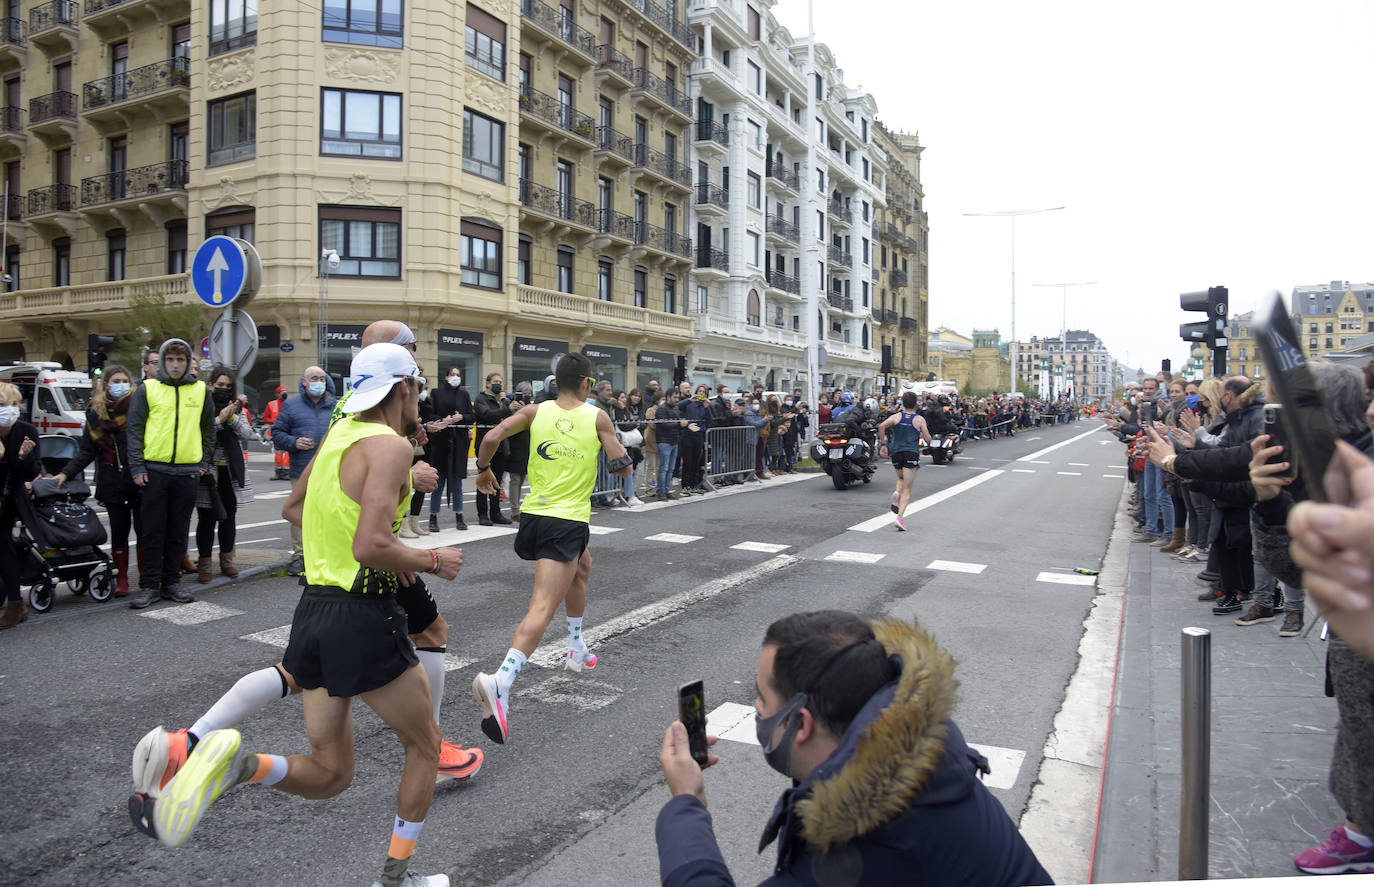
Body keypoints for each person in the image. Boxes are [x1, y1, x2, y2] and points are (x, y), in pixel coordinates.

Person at [132, 344, 464, 887]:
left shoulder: (338, 437)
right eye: (419, 385)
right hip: (364, 614)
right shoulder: (389, 447)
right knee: (426, 747)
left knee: (332, 774)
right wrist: (431, 559)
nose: (420, 396)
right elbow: (371, 545)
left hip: (314, 610)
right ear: (402, 387)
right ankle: (396, 879)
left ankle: (237, 766)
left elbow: (297, 510)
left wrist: (352, 546)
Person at [655, 610, 1052, 886]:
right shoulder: (919, 751)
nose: (756, 709)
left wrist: (687, 803)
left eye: (761, 698)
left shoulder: (864, 844)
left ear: (802, 724)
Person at [470, 352, 632, 743]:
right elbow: (622, 466)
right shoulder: (597, 417)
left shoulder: (533, 410)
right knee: (542, 606)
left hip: (534, 517)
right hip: (567, 521)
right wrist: (624, 455)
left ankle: (576, 646)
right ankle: (501, 680)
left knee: (583, 567)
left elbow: (490, 437)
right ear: (587, 384)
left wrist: (483, 469)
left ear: (555, 382)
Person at [126, 339, 213, 609]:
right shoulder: (148, 390)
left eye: (181, 360)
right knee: (152, 531)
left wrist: (203, 462)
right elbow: (134, 430)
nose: (176, 365)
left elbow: (209, 429)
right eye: (170, 360)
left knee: (178, 531)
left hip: (187, 472)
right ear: (162, 362)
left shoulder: (200, 390)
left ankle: (171, 583)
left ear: (188, 363)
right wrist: (137, 466)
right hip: (155, 470)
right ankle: (149, 585)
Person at [54, 366, 141, 598]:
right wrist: (65, 474)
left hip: (139, 478)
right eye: (115, 380)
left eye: (124, 380)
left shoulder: (138, 407)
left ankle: (146, 575)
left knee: (145, 531)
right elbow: (86, 451)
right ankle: (122, 577)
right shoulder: (95, 413)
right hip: (112, 482)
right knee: (120, 532)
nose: (120, 384)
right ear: (106, 384)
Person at [272, 365, 338, 575]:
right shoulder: (291, 406)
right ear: (304, 382)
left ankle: (326, 554)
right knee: (301, 513)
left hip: (330, 470)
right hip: (301, 469)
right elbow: (277, 433)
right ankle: (300, 556)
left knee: (329, 513)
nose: (319, 382)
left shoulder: (336, 407)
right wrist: (294, 442)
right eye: (313, 378)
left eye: (321, 378)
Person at [192, 367, 254, 583]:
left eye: (228, 386)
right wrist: (219, 419)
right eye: (220, 385)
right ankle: (205, 563)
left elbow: (246, 433)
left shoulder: (238, 408)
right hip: (208, 470)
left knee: (229, 517)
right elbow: (200, 431)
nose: (224, 390)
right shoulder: (202, 405)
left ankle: (227, 561)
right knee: (206, 519)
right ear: (210, 385)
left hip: (230, 469)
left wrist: (231, 417)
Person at [0, 383, 40, 628]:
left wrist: (21, 457)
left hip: (10, 499)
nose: (10, 410)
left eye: (14, 404)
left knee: (3, 546)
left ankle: (16, 604)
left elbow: (30, 473)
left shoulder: (26, 431)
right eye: (4, 405)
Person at [426, 366, 474, 532]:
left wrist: (461, 417)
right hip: (440, 443)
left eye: (458, 375)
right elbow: (430, 415)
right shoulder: (436, 393)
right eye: (452, 375)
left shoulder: (464, 395)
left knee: (457, 483)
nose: (455, 377)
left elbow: (472, 416)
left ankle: (459, 517)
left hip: (459, 443)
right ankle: (433, 517)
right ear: (446, 377)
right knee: (438, 483)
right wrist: (442, 420)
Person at [878, 391, 932, 532]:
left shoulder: (896, 416)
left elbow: (881, 426)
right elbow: (927, 437)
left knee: (901, 477)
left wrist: (883, 444)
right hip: (911, 453)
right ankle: (899, 518)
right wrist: (928, 442)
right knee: (908, 489)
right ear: (915, 404)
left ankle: (897, 492)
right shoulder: (919, 419)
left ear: (902, 402)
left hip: (896, 453)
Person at [473, 372, 514, 526]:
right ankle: (483, 514)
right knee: (483, 477)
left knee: (497, 479)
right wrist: (506, 409)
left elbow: (512, 418)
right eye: (495, 381)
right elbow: (486, 415)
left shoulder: (503, 400)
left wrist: (510, 406)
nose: (498, 384)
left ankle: (495, 512)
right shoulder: (481, 399)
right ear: (488, 384)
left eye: (500, 382)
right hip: (485, 444)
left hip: (502, 444)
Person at [505, 382, 534, 519]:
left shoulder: (532, 407)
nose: (527, 396)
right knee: (515, 479)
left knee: (522, 479)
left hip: (527, 445)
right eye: (524, 393)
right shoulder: (511, 404)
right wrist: (515, 409)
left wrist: (527, 409)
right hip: (514, 445)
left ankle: (519, 507)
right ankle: (515, 510)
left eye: (529, 393)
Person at [680, 384, 713, 493]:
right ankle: (685, 486)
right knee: (687, 462)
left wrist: (707, 407)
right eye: (699, 391)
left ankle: (694, 485)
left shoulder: (705, 406)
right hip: (688, 434)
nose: (701, 393)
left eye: (703, 392)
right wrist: (689, 400)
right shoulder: (689, 403)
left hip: (699, 435)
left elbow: (709, 421)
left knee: (696, 462)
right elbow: (678, 406)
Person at [262, 386, 290, 480]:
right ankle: (278, 472)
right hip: (277, 430)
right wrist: (275, 421)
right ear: (277, 394)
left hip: (287, 430)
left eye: (285, 392)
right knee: (278, 452)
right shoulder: (271, 404)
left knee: (286, 452)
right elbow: (265, 418)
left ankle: (286, 472)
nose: (284, 393)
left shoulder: (290, 404)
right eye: (282, 392)